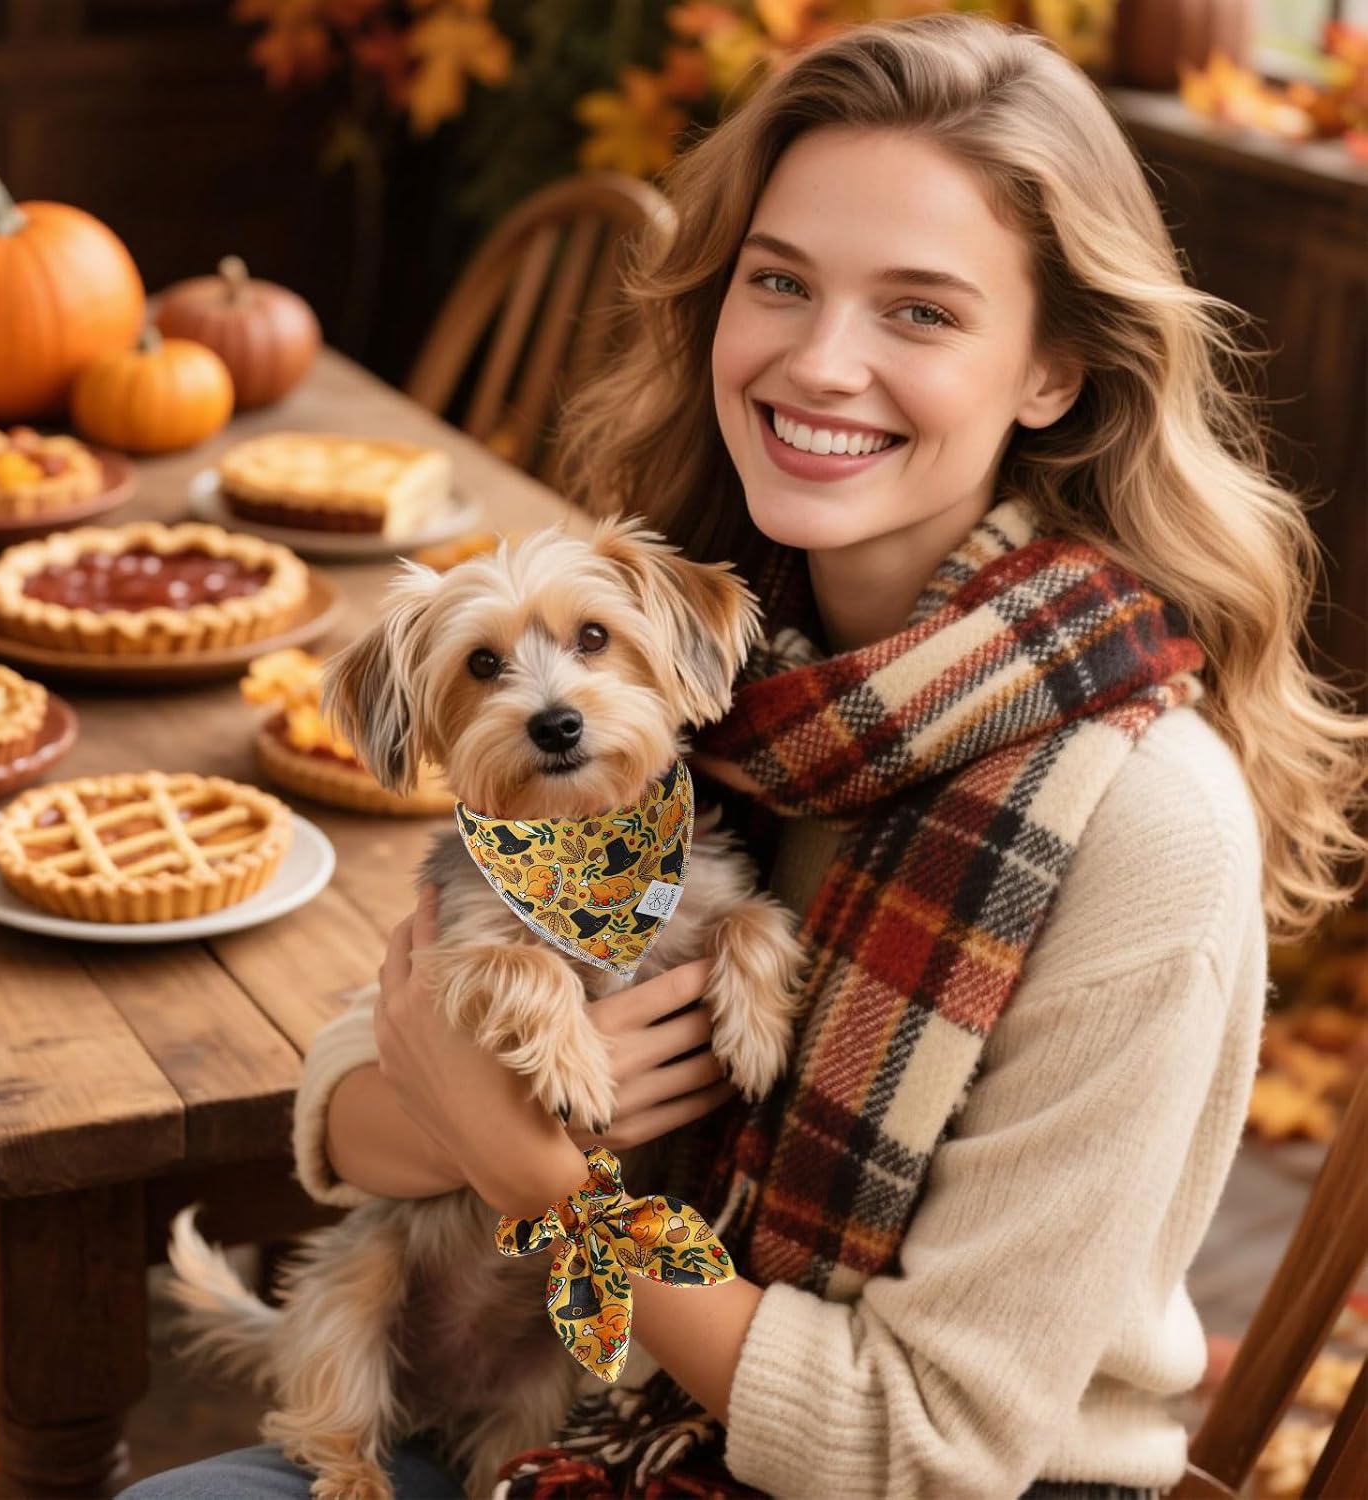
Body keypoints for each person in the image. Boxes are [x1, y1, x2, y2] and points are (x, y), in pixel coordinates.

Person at [122, 14, 1367, 1500]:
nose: (822, 362)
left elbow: (921, 1450)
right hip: (599, 1387)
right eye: (781, 282)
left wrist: (537, 1181)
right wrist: (450, 1100)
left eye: (921, 311)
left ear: (1054, 370)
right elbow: (368, 1074)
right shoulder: (698, 656)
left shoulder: (1141, 821)